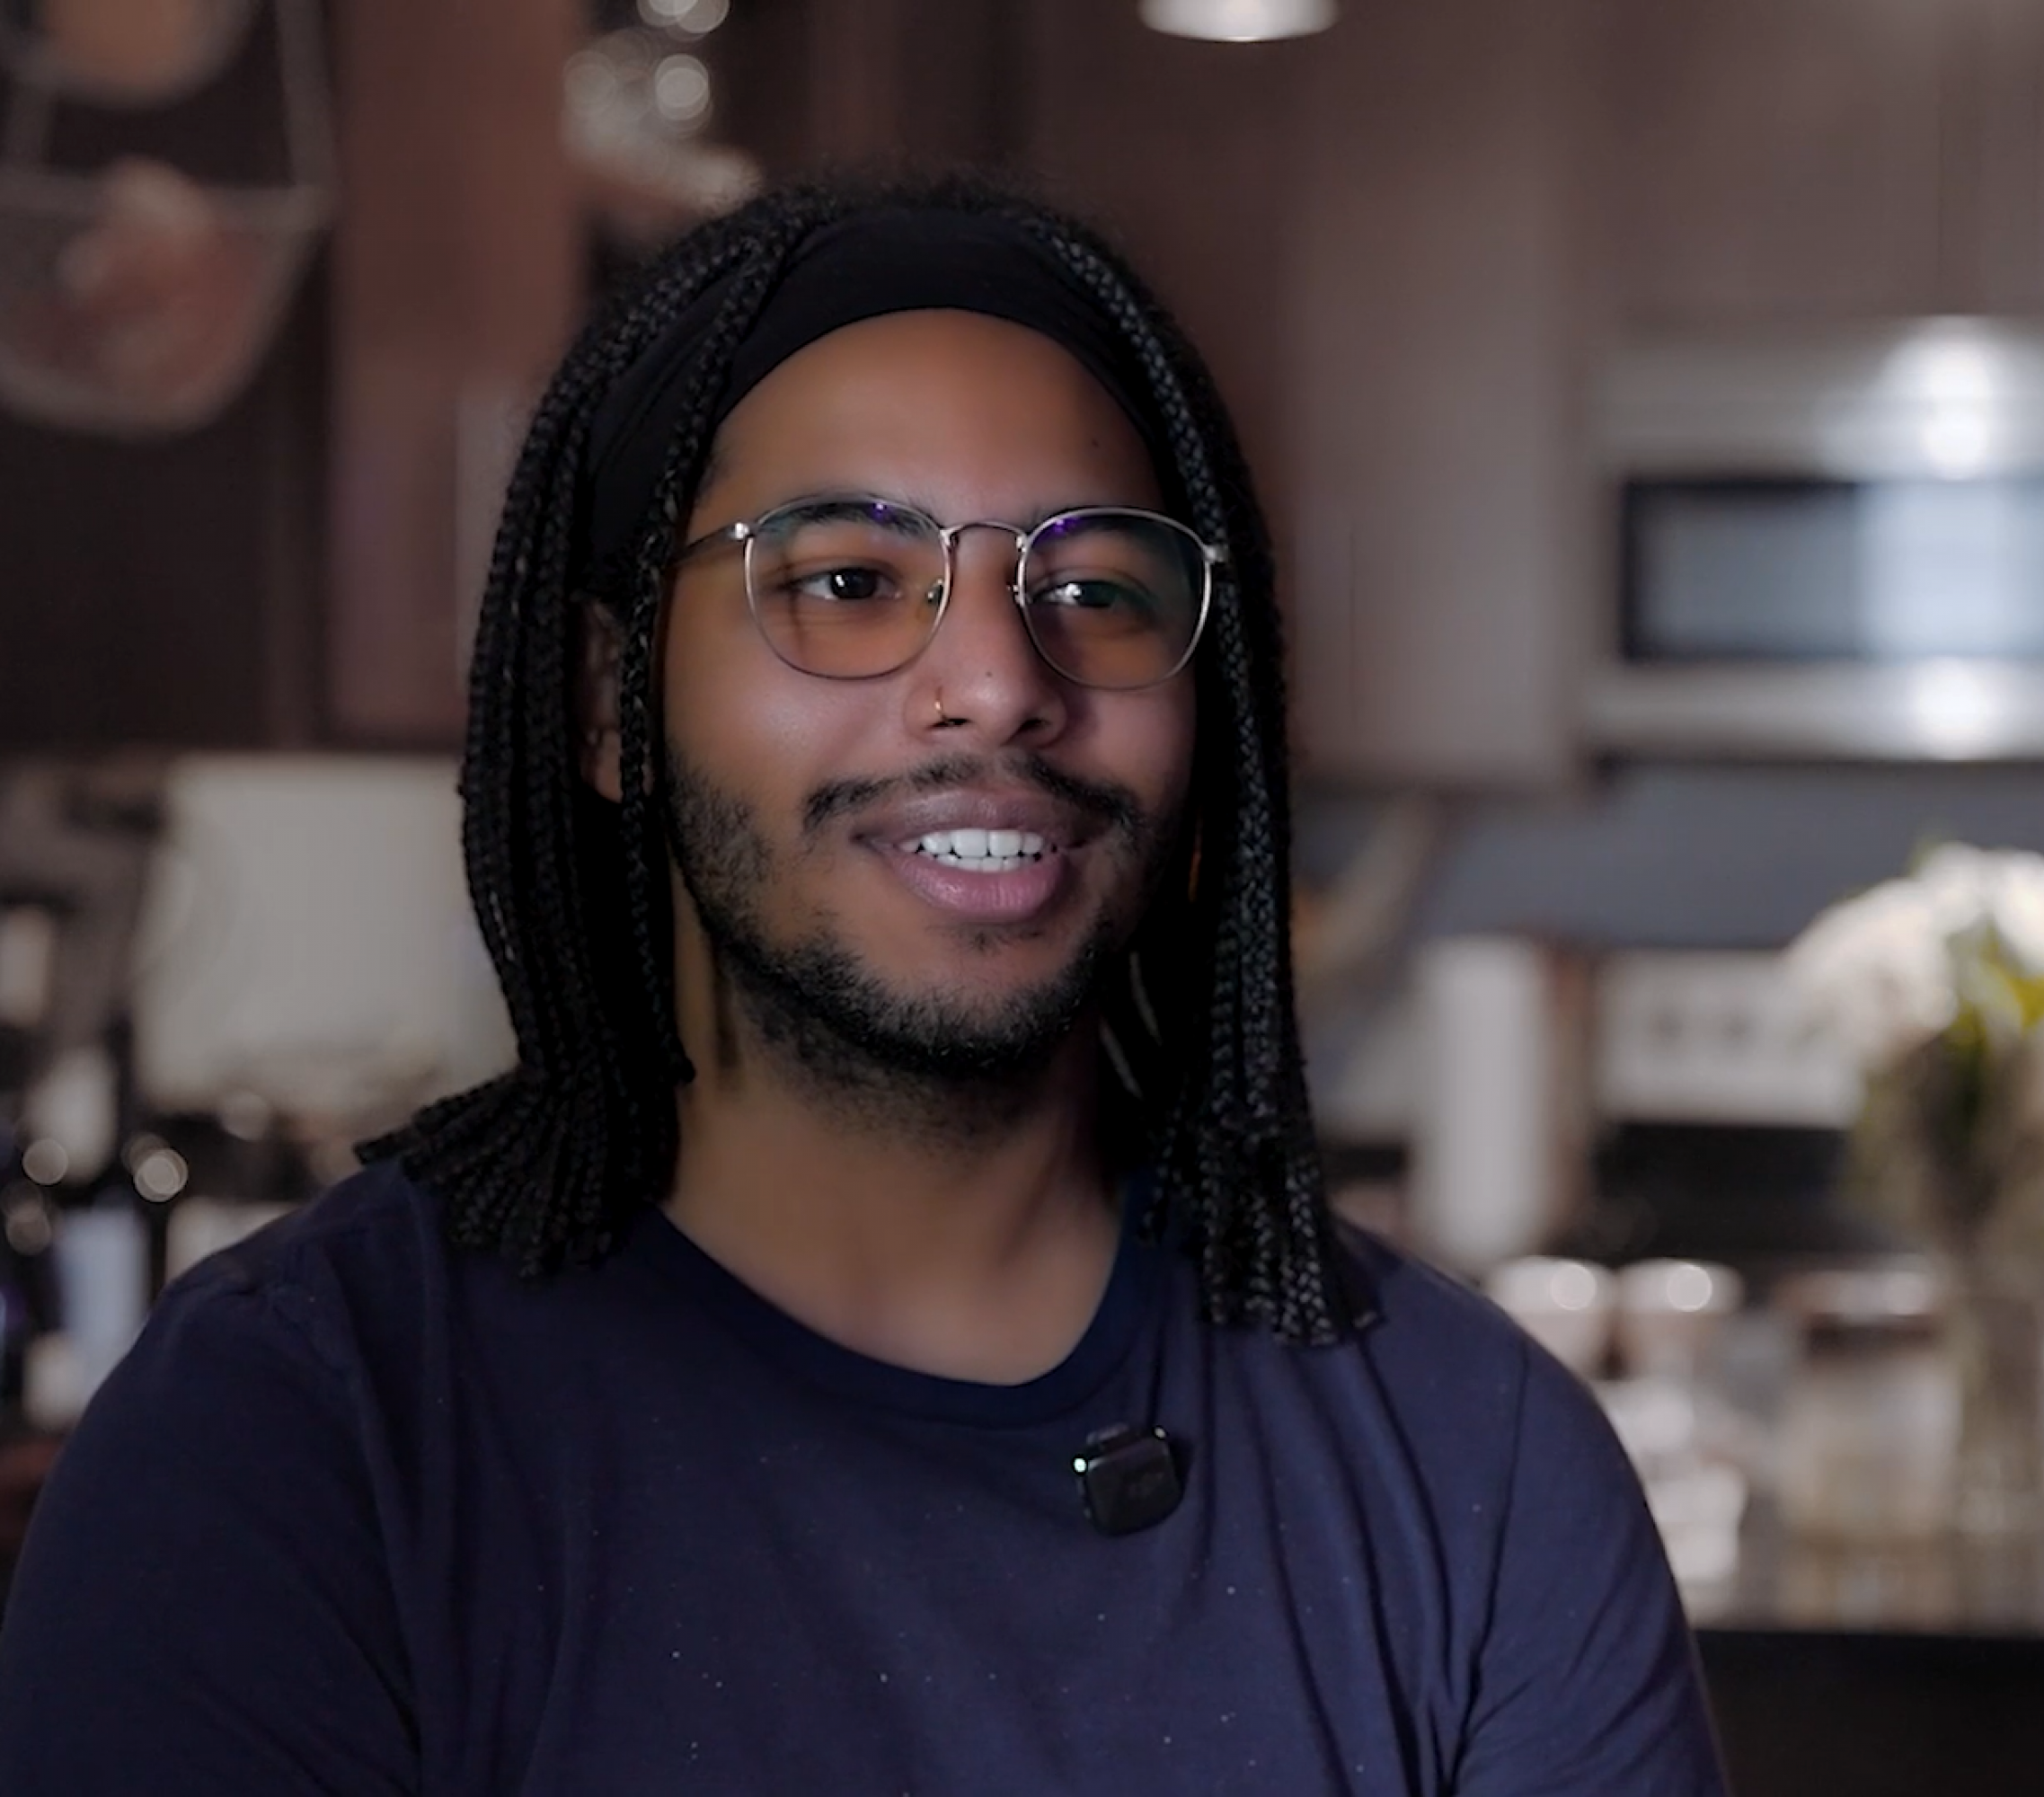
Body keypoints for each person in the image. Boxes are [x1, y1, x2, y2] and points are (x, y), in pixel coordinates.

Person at [0, 173, 1725, 1793]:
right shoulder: (300, 1441)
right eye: (845, 580)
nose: (995, 680)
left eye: (1097, 591)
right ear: (612, 708)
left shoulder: (1475, 1470)